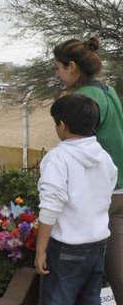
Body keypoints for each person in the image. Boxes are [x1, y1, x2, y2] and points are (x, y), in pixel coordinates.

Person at [53, 37, 123, 303]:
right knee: (117, 268)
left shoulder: (82, 99)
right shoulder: (109, 90)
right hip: (119, 188)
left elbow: (76, 145)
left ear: (72, 67)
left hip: (101, 193)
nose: (57, 74)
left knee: (81, 270)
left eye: (58, 67)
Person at [35, 94, 117, 304]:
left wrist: (40, 250)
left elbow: (50, 206)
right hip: (98, 245)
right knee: (90, 299)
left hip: (66, 248)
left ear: (62, 125)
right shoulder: (104, 157)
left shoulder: (57, 158)